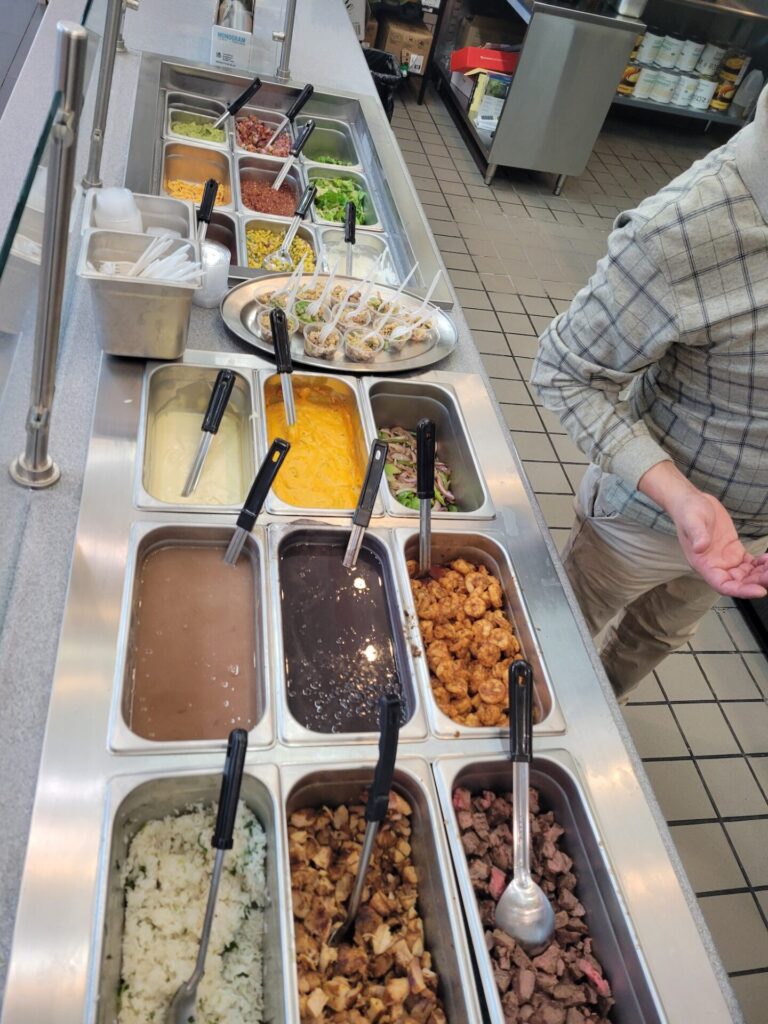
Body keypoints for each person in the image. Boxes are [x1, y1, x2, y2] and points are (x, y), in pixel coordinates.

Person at [531, 87, 768, 702]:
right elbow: (564, 371)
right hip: (641, 520)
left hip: (744, 546)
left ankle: (600, 711)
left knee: (655, 637)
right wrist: (679, 495)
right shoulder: (684, 230)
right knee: (558, 640)